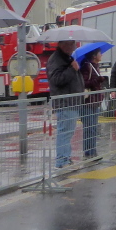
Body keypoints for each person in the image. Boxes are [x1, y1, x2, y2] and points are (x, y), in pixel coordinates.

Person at [47, 39, 85, 168]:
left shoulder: (66, 58)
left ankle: (66, 158)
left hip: (71, 101)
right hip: (65, 102)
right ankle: (62, 160)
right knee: (65, 131)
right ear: (63, 45)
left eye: (74, 43)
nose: (74, 46)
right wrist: (72, 69)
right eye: (71, 44)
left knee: (68, 132)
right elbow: (57, 79)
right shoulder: (56, 59)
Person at [80, 48, 104, 159]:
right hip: (88, 101)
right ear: (94, 55)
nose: (101, 55)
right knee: (89, 127)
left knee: (93, 127)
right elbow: (84, 83)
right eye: (100, 53)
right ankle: (88, 152)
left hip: (95, 101)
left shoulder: (95, 66)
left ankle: (93, 151)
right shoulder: (87, 66)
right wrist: (97, 81)